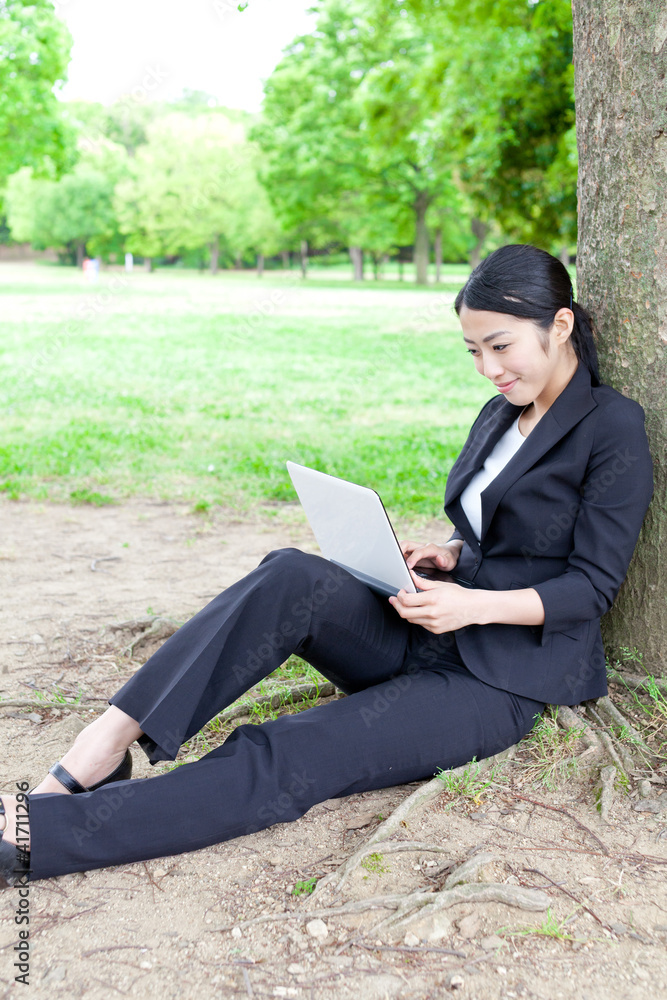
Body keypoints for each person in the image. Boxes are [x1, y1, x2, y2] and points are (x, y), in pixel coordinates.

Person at [0, 244, 654, 887]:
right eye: (472, 350)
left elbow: (591, 587)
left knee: (292, 751)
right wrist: (450, 552)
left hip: (501, 682)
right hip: (432, 622)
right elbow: (496, 523)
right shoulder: (501, 411)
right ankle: (104, 743)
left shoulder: (611, 427)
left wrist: (470, 604)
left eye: (499, 345)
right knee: (290, 574)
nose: (486, 367)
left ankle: (39, 837)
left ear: (558, 326)